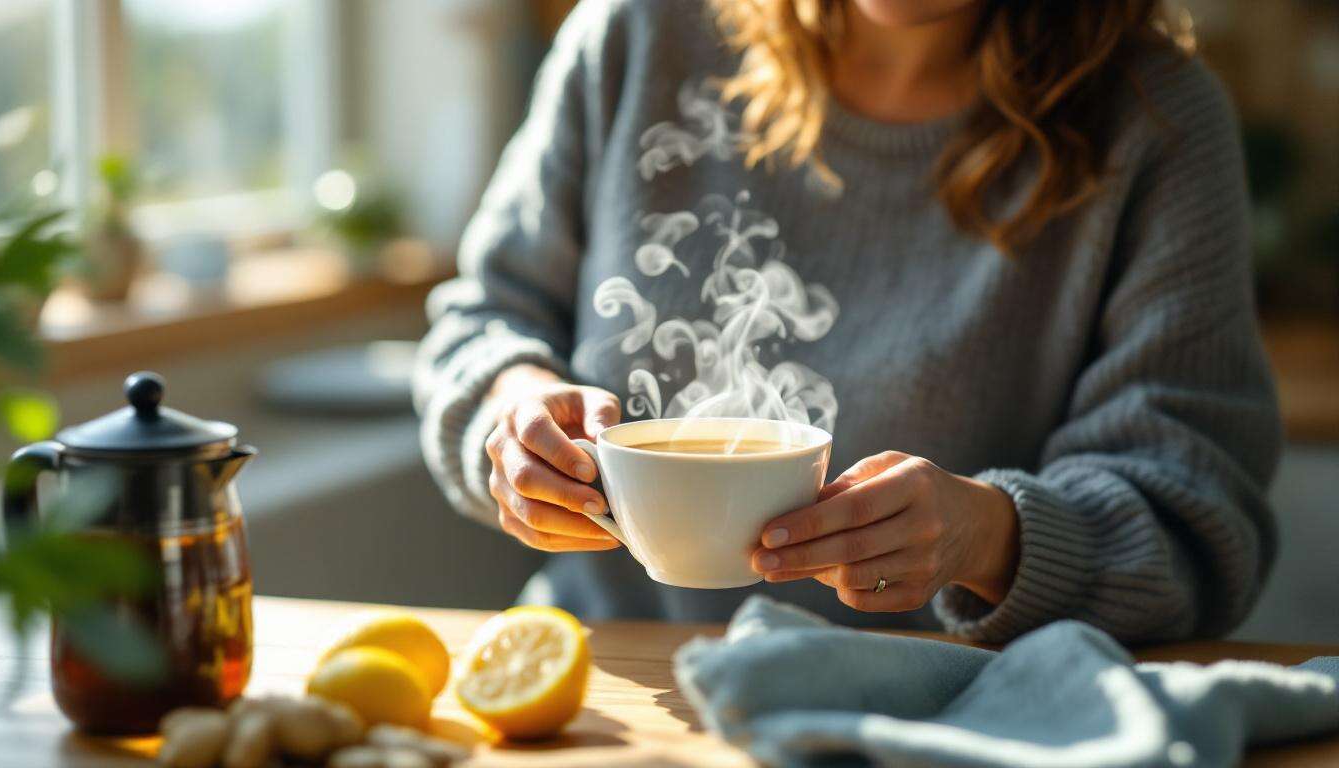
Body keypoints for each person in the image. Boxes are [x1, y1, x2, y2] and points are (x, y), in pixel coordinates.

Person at [412, 0, 1281, 643]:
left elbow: (1198, 521)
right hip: (602, 686)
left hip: (940, 715)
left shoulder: (1154, 122)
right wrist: (514, 413)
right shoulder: (638, 33)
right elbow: (485, 318)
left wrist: (988, 536)